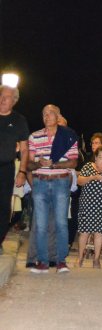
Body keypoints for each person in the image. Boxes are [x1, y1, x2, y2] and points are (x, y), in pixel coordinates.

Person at [27, 104, 78, 274]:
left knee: (61, 222)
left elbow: (73, 162)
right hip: (40, 182)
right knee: (40, 224)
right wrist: (38, 163)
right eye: (44, 114)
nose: (46, 116)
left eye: (50, 113)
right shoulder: (34, 136)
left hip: (60, 182)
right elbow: (28, 164)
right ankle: (42, 261)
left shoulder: (68, 136)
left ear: (58, 116)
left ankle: (61, 261)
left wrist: (54, 164)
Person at [0, 85, 29, 255]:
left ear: (14, 101)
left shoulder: (19, 120)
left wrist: (22, 172)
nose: (2, 99)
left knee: (4, 207)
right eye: (1, 95)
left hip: (6, 168)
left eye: (7, 97)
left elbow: (24, 150)